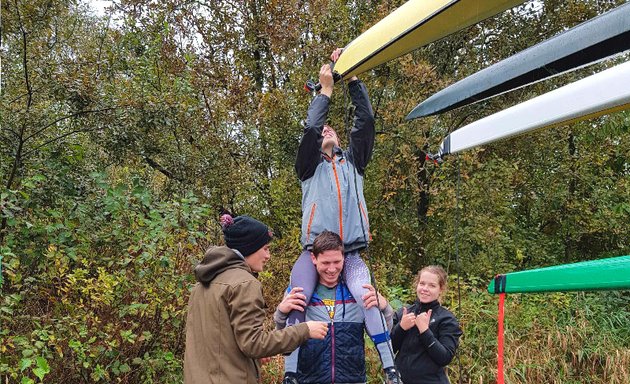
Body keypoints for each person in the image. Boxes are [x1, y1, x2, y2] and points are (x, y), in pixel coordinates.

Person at [289, 48, 398, 380]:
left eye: (330, 131)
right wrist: (324, 92)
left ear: (338, 138)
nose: (326, 132)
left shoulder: (354, 164)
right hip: (314, 255)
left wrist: (352, 75)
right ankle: (291, 374)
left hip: (348, 253)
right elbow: (311, 129)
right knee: (296, 301)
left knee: (369, 299)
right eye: (323, 131)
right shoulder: (308, 169)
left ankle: (390, 368)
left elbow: (366, 122)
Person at [184, 214, 329, 384]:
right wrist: (304, 330)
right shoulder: (245, 283)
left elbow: (220, 343)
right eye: (265, 248)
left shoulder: (203, 283)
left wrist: (255, 358)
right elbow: (253, 343)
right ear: (249, 248)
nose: (268, 256)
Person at [276, 231, 396, 384]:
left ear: (344, 257)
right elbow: (280, 340)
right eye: (325, 263)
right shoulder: (299, 292)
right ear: (314, 258)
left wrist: (385, 308)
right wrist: (281, 313)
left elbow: (386, 330)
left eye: (337, 262)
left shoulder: (357, 292)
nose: (332, 269)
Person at [391, 266, 463, 384]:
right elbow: (388, 350)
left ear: (441, 289)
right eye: (422, 283)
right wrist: (401, 328)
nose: (425, 288)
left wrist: (425, 331)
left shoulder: (447, 319)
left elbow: (444, 358)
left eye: (432, 285)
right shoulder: (403, 313)